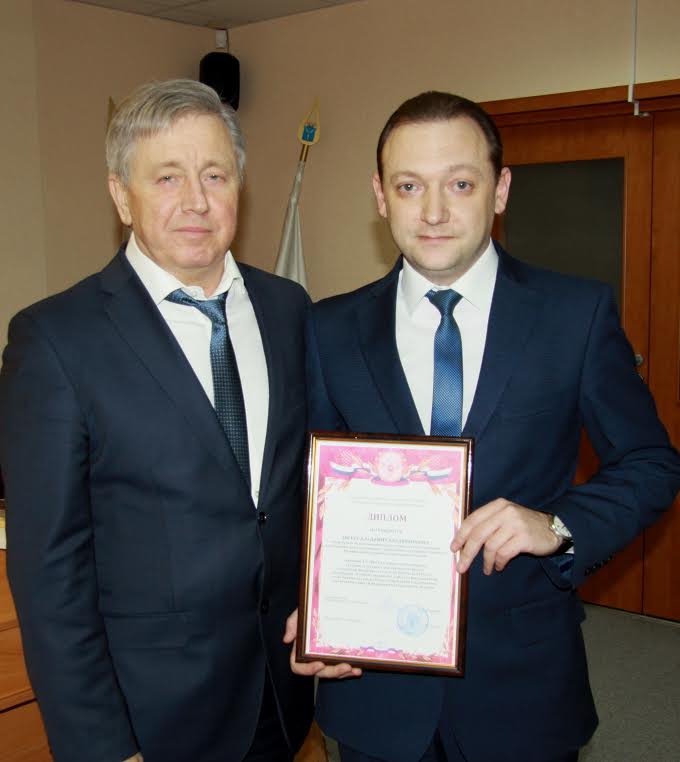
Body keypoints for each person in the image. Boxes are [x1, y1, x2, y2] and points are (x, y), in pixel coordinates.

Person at [287, 92, 680, 762]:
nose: (433, 212)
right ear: (380, 196)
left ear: (500, 190)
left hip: (522, 684)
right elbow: (308, 490)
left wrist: (558, 525)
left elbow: (651, 462)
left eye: (460, 184)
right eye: (409, 186)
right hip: (373, 686)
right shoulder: (328, 328)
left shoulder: (573, 315)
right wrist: (315, 600)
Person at [0, 79, 313, 762]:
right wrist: (102, 746)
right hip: (150, 722)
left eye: (214, 175)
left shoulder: (289, 310)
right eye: (167, 177)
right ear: (121, 196)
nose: (196, 201)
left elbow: (304, 490)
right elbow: (49, 574)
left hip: (282, 697)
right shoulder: (55, 341)